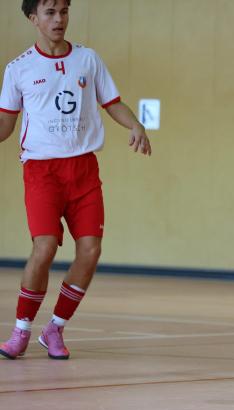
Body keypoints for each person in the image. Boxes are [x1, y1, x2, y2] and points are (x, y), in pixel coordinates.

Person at [0, 0, 151, 360]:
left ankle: (55, 328)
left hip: (83, 170)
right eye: (50, 12)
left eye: (64, 11)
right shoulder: (18, 69)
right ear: (33, 18)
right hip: (42, 172)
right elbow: (5, 125)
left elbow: (112, 101)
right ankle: (21, 330)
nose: (59, 19)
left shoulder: (88, 60)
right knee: (45, 247)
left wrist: (136, 124)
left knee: (91, 250)